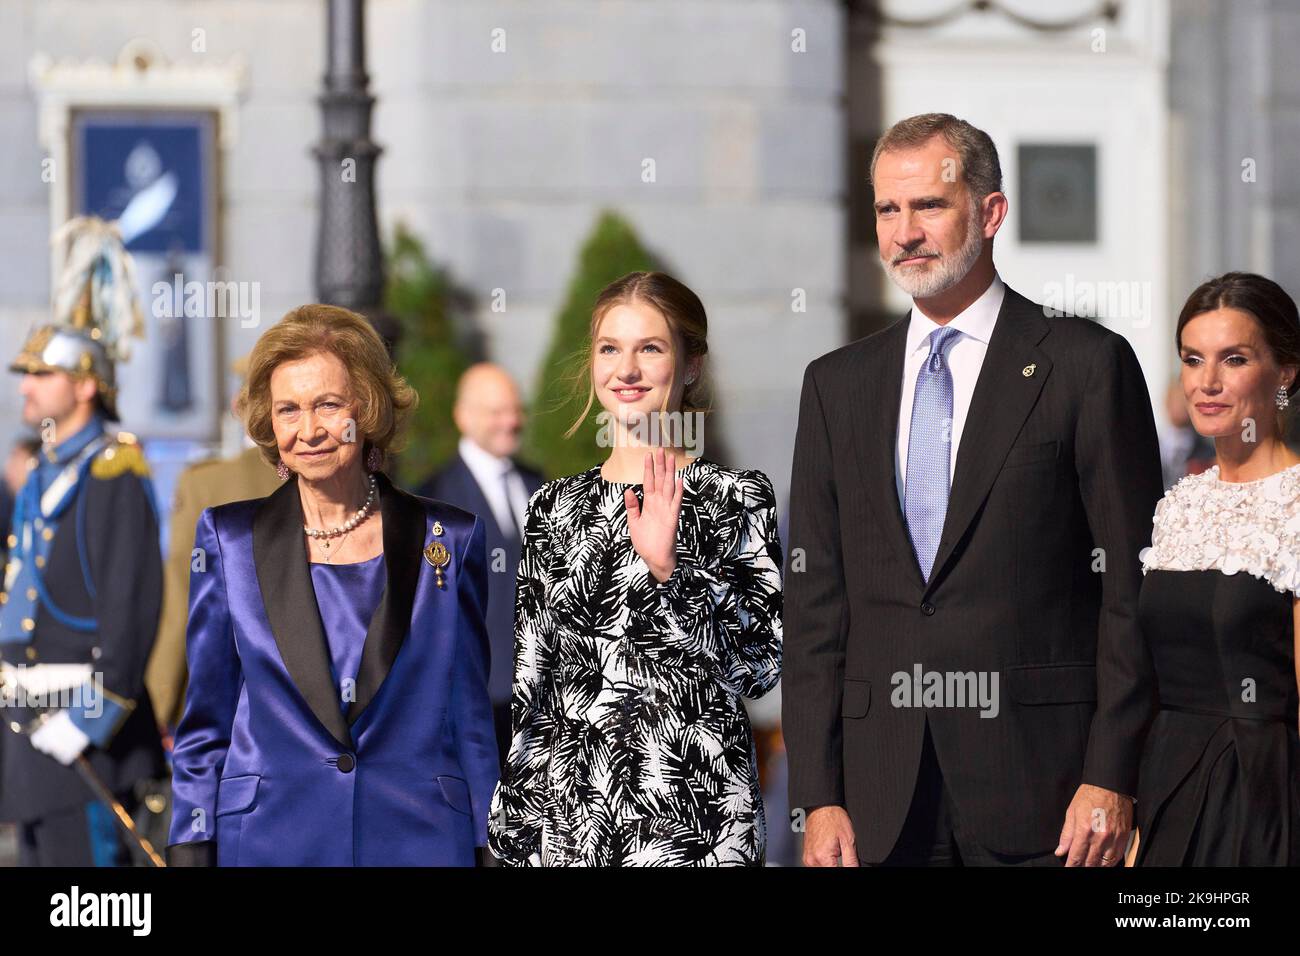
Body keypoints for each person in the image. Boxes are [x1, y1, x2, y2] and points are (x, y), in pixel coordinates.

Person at [782, 113, 1164, 867]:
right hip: (879, 798)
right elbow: (815, 605)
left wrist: (1111, 774)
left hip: (1047, 793)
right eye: (889, 209)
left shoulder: (1086, 364)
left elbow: (1133, 586)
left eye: (929, 205)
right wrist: (818, 796)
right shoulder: (835, 385)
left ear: (990, 212)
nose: (904, 232)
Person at [166, 304, 499, 866]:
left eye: (328, 404)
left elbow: (471, 723)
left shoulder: (450, 538)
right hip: (269, 843)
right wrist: (191, 846)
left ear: (366, 408)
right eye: (288, 410)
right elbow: (206, 723)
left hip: (419, 841)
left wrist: (492, 844)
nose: (309, 429)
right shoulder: (229, 540)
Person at [487, 271, 783, 866]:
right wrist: (515, 834)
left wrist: (672, 570)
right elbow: (533, 690)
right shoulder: (552, 508)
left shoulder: (736, 499)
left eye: (650, 348)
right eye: (609, 349)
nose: (626, 370)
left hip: (698, 826)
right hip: (570, 828)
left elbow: (759, 667)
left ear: (691, 365)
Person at [0, 216, 165, 866]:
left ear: (87, 384)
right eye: (25, 374)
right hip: (30, 729)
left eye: (41, 374)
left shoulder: (113, 470)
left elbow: (131, 606)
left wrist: (90, 717)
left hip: (84, 736)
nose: (26, 387)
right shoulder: (43, 471)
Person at [1134, 272, 1300, 865]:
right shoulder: (1177, 505)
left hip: (1264, 803)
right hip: (1164, 792)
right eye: (1192, 359)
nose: (1207, 382)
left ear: (1284, 373)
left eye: (1233, 359)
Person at [416, 364, 544, 763]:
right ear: (463, 416)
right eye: (496, 412)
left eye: (516, 410)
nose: (511, 421)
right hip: (476, 699)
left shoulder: (538, 483)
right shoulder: (434, 499)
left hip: (544, 693)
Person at [146, 357, 281, 733]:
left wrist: (161, 700)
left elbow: (183, 596)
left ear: (242, 406)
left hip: (228, 702)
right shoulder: (348, 477)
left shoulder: (208, 484)